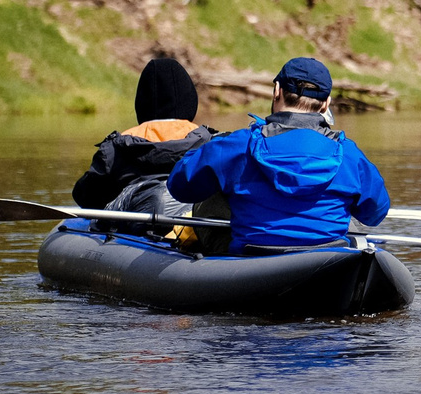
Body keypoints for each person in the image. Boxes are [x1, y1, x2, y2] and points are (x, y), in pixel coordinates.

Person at [166, 56, 391, 251]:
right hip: (328, 261)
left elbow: (179, 186)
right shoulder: (349, 154)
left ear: (276, 92)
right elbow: (375, 213)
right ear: (326, 104)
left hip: (251, 266)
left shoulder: (237, 145)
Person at [75, 56, 213, 214]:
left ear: (141, 102)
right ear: (190, 100)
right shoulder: (210, 142)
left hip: (137, 223)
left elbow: (85, 196)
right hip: (192, 222)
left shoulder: (116, 147)